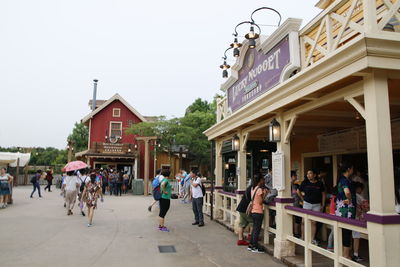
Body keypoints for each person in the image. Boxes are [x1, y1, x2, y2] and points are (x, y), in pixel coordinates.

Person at [297, 170, 326, 246]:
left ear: (314, 175)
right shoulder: (305, 183)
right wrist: (303, 200)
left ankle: (312, 239)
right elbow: (298, 191)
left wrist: (323, 204)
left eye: (310, 174)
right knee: (303, 221)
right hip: (307, 204)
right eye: (307, 174)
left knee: (314, 222)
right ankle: (302, 237)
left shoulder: (320, 183)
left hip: (317, 205)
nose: (308, 175)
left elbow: (323, 194)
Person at [335, 163, 356, 260]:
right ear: (348, 169)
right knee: (347, 231)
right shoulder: (344, 180)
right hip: (347, 209)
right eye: (352, 168)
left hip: (341, 209)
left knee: (343, 230)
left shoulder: (341, 179)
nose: (353, 170)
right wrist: (350, 200)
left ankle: (343, 253)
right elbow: (347, 192)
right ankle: (346, 255)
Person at [248, 174, 268, 253]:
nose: (264, 181)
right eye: (263, 180)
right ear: (260, 180)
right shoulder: (259, 190)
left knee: (254, 229)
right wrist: (265, 194)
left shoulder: (253, 188)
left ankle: (251, 245)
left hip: (253, 210)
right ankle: (255, 247)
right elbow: (260, 202)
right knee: (257, 230)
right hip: (258, 211)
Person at [352, 182, 369, 262]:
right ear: (358, 189)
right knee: (356, 236)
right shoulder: (359, 197)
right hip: (357, 219)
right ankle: (355, 254)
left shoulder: (351, 196)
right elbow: (366, 207)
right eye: (361, 189)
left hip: (349, 217)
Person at [291, 171, 302, 238]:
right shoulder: (288, 185)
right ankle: (294, 232)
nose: (296, 177)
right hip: (291, 204)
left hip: (297, 204)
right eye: (294, 176)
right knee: (292, 218)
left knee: (298, 219)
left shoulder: (297, 185)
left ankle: (296, 233)